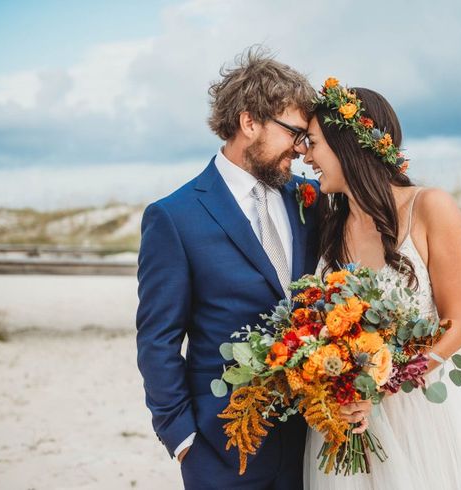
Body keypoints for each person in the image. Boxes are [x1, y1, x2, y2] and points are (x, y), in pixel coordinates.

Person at [301, 80, 461, 489]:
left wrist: (385, 385)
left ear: (348, 146)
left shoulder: (430, 208)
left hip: (421, 411)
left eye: (314, 142)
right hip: (347, 420)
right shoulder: (329, 224)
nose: (306, 155)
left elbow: (458, 324)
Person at [136, 47, 322, 489]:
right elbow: (158, 339)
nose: (300, 148)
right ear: (249, 122)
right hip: (221, 449)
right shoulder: (174, 217)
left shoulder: (313, 200)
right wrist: (182, 438)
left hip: (311, 439)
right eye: (294, 132)